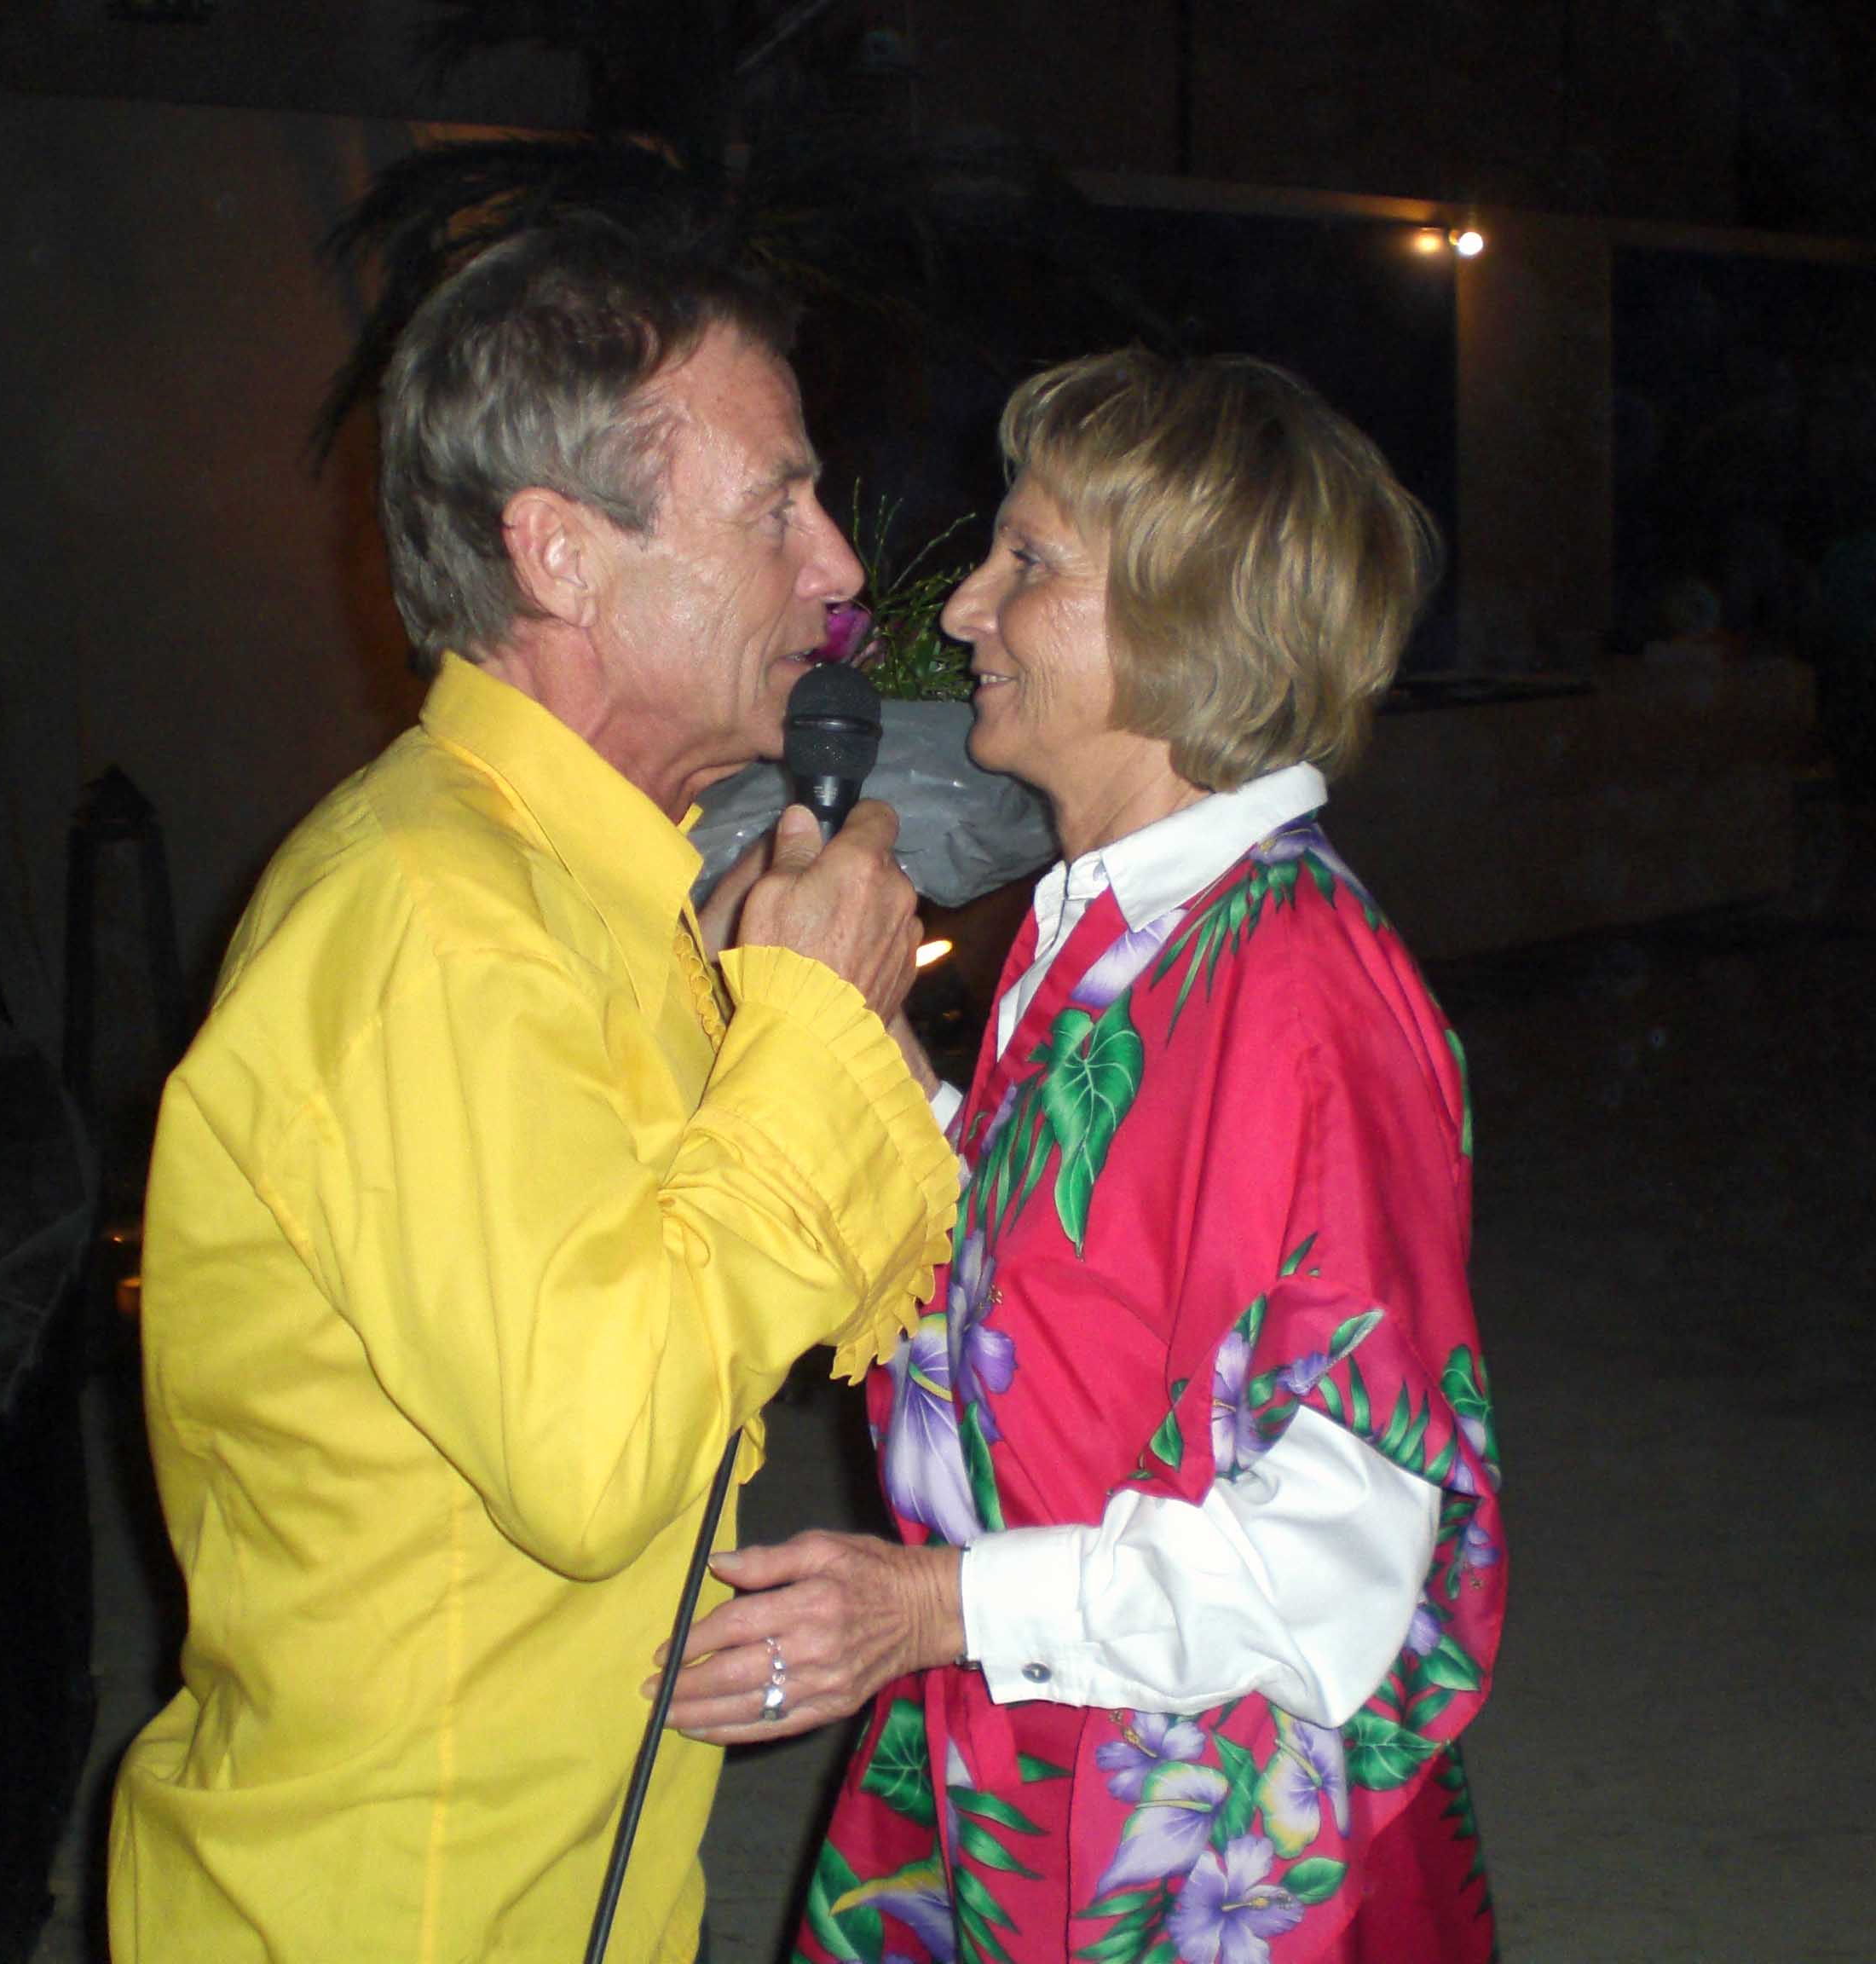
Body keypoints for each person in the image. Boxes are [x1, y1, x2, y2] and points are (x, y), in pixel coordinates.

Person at [106, 221, 960, 1961]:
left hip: (554, 1886)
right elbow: (597, 1447)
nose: (838, 562)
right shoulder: (433, 924)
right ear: (562, 552)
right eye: (774, 506)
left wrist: (791, 1029)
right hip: (397, 1912)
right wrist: (802, 1028)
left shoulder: (582, 891)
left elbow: (757, 1302)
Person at [660, 351, 1508, 1961]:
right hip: (1028, 1741)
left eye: (1029, 563)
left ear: (1193, 623)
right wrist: (853, 1031)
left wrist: (931, 1608)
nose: (964, 608)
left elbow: (1341, 1560)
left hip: (1188, 1830)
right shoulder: (1127, 929)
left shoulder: (1302, 993)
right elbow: (1041, 1272)